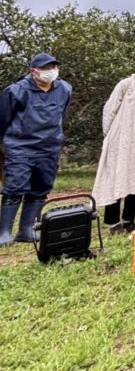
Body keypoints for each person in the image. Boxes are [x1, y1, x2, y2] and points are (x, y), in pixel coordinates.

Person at [0, 54, 72, 245]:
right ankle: (4, 233)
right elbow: (3, 119)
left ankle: (26, 230)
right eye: (46, 68)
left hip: (49, 147)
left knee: (40, 187)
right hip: (20, 146)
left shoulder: (65, 89)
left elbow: (61, 115)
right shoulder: (16, 91)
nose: (51, 71)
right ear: (34, 71)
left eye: (54, 67)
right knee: (15, 187)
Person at [92, 53, 135, 233]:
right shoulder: (126, 84)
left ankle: (129, 220)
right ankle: (112, 222)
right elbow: (109, 108)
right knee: (118, 176)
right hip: (122, 140)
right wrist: (109, 135)